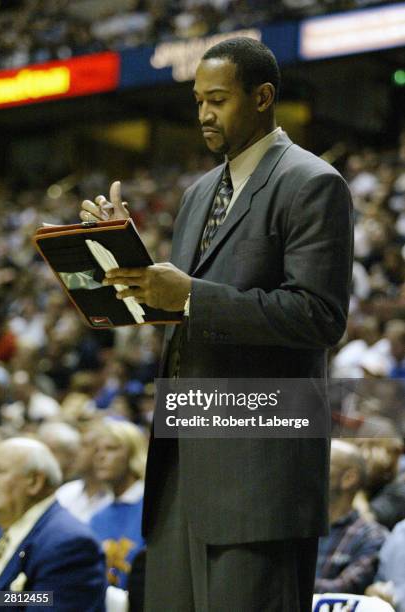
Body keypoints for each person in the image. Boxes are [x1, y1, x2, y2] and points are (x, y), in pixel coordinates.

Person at [80, 37, 353, 611]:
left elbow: (320, 316)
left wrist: (192, 296)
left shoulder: (312, 182)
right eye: (199, 101)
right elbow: (182, 309)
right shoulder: (199, 192)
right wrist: (126, 258)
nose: (204, 114)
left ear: (263, 97)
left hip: (258, 467)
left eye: (219, 100)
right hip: (182, 456)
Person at [0, 437, 106, 611]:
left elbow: (43, 600)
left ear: (34, 482)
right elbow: (10, 597)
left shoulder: (70, 545)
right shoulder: (5, 528)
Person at [315, 440, 387, 594]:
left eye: (321, 463)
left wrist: (287, 587)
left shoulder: (370, 536)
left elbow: (344, 588)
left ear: (349, 478)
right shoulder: (299, 526)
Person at [89, 419, 147, 590]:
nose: (100, 456)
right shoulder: (97, 517)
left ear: (132, 454)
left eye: (111, 448)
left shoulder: (153, 508)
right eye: (97, 450)